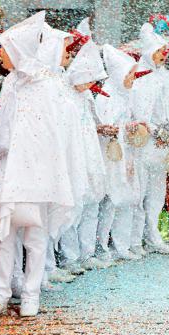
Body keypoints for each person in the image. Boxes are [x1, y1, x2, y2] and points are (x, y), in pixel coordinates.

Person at [0, 11, 75, 318]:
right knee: (4, 232)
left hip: (38, 168)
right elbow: (3, 124)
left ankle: (31, 293)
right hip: (10, 166)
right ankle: (0, 292)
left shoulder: (48, 85)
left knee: (35, 234)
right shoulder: (10, 83)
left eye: (6, 50)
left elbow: (57, 131)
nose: (2, 55)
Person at [130, 23, 169, 255]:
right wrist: (156, 130)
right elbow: (138, 111)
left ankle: (153, 234)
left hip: (162, 144)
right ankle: (134, 240)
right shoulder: (140, 75)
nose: (162, 55)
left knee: (156, 192)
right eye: (158, 51)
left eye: (163, 51)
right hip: (145, 143)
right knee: (139, 191)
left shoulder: (163, 75)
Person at [58, 36, 110, 272]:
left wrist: (101, 129)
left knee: (91, 203)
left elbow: (89, 122)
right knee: (73, 205)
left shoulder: (85, 95)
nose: (90, 84)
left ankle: (86, 252)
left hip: (90, 153)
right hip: (73, 154)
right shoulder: (63, 93)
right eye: (87, 78)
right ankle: (69, 256)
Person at [95, 44, 146, 261]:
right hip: (111, 155)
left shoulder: (126, 95)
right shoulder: (106, 96)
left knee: (127, 199)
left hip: (127, 153)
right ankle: (102, 246)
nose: (132, 80)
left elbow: (126, 122)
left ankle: (121, 244)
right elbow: (103, 125)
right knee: (110, 201)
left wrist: (132, 127)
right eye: (130, 75)